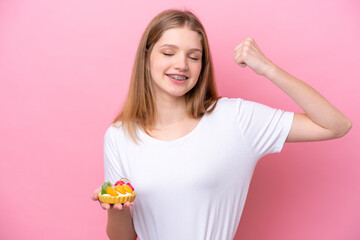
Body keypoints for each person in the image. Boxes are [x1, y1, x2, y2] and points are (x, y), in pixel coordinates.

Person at [91, 9, 351, 240]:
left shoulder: (235, 119)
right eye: (168, 52)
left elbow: (335, 125)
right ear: (146, 57)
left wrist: (268, 69)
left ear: (202, 66)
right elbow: (122, 238)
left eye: (194, 57)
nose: (181, 64)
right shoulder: (119, 136)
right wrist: (116, 208)